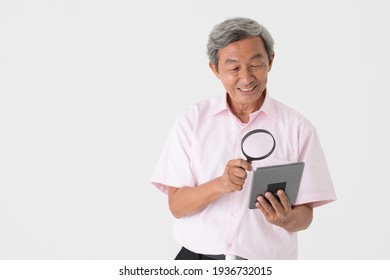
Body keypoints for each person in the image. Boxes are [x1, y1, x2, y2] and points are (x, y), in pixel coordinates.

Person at [151, 17, 336, 260]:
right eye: (234, 68)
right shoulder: (192, 120)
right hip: (195, 260)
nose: (246, 78)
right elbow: (177, 206)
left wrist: (288, 218)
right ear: (215, 69)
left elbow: (305, 215)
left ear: (270, 61)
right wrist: (220, 185)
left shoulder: (299, 128)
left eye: (255, 64)